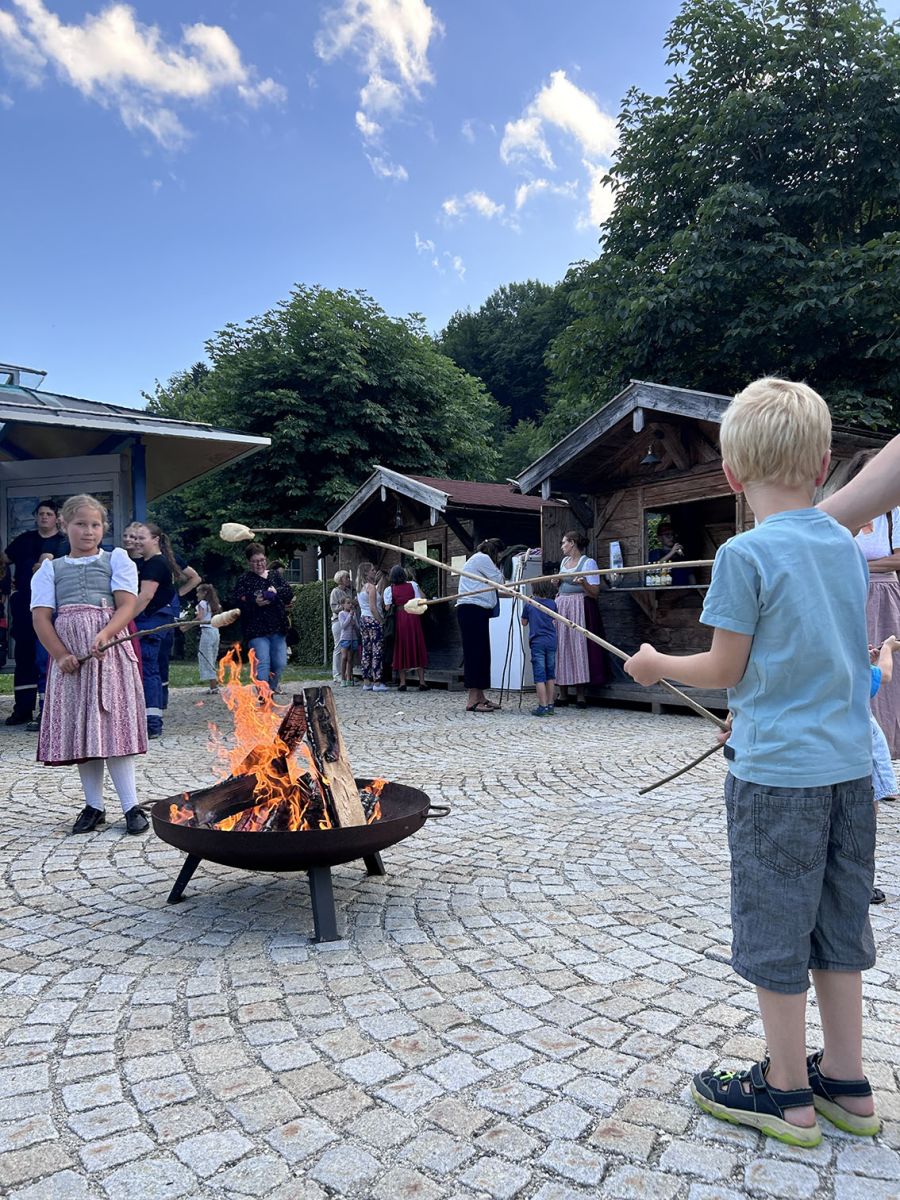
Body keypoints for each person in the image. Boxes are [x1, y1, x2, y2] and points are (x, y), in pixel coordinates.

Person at [625, 378, 878, 1147]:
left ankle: (786, 1092)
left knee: (775, 927)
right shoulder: (846, 547)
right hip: (850, 773)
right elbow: (819, 657)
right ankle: (848, 1082)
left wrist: (654, 665)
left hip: (777, 781)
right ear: (824, 465)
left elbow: (724, 668)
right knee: (838, 922)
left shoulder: (743, 554)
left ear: (732, 475)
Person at [30, 494, 148, 835]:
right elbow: (41, 618)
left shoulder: (117, 559)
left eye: (95, 525)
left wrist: (106, 633)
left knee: (114, 726)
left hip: (109, 654)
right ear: (65, 525)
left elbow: (126, 605)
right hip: (72, 659)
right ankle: (94, 805)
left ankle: (131, 806)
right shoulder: (51, 569)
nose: (89, 531)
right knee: (85, 729)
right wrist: (60, 655)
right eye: (81, 524)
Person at [4, 499, 69, 726]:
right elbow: (4, 560)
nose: (44, 517)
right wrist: (7, 586)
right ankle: (22, 710)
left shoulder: (63, 543)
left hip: (52, 607)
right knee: (24, 657)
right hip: (24, 605)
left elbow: (44, 568)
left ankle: (47, 710)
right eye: (40, 514)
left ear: (57, 518)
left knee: (47, 658)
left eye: (49, 514)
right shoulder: (24, 540)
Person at [853, 501, 900, 759]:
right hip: (851, 593)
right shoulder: (849, 514)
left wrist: (858, 565)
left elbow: (898, 558)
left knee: (887, 666)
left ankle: (889, 747)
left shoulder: (893, 515)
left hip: (884, 594)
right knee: (856, 663)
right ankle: (860, 747)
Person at [132, 522, 181, 738]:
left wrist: (123, 619)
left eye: (141, 538)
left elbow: (146, 596)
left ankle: (152, 723)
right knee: (151, 670)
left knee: (148, 670)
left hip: (150, 622)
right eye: (135, 537)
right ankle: (150, 719)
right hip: (156, 621)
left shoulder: (154, 564)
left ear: (155, 540)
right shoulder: (156, 562)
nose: (136, 542)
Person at [554, 530, 608, 708]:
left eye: (564, 542)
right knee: (562, 647)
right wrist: (557, 583)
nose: (562, 546)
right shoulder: (564, 562)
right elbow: (562, 586)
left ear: (572, 543)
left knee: (579, 647)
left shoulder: (588, 563)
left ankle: (580, 695)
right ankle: (562, 693)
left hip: (580, 607)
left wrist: (583, 583)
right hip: (562, 606)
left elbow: (595, 593)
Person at [235, 542, 293, 695]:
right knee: (263, 663)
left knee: (280, 663)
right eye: (255, 561)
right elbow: (238, 601)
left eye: (261, 560)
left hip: (278, 627)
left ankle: (271, 689)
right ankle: (264, 695)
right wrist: (254, 602)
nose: (259, 564)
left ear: (266, 559)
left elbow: (289, 593)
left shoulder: (275, 576)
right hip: (256, 630)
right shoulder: (244, 580)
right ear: (249, 562)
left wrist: (276, 591)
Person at [456, 538, 505, 713]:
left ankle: (480, 696)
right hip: (472, 610)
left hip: (478, 610)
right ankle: (472, 700)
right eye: (500, 555)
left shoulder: (478, 560)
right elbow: (499, 580)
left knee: (482, 653)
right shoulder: (482, 558)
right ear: (495, 552)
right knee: (474, 653)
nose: (500, 558)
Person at [869, 635, 899, 905]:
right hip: (860, 758)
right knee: (865, 823)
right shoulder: (853, 672)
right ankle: (862, 883)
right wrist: (888, 648)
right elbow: (884, 675)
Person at [383, 565, 428, 691]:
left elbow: (387, 607)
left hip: (400, 619)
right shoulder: (413, 585)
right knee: (417, 645)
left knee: (401, 647)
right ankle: (422, 682)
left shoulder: (389, 589)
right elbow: (422, 599)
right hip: (413, 617)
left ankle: (403, 682)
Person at [521, 579, 558, 716]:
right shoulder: (552, 603)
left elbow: (524, 622)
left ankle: (542, 706)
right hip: (552, 640)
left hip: (538, 642)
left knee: (539, 675)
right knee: (550, 674)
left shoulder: (530, 604)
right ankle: (550, 705)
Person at [356, 561, 388, 692]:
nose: (375, 572)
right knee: (377, 650)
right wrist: (381, 621)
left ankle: (366, 681)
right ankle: (377, 682)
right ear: (366, 573)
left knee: (366, 650)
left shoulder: (360, 588)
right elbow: (373, 608)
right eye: (372, 570)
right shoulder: (371, 588)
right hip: (373, 619)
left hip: (363, 619)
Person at [329, 570, 356, 682]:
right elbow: (334, 608)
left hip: (350, 622)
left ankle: (348, 674)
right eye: (346, 578)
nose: (348, 580)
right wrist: (345, 606)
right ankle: (337, 674)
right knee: (339, 647)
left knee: (349, 649)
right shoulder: (335, 592)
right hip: (338, 621)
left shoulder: (349, 591)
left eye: (349, 577)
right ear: (340, 580)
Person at [196, 583, 222, 693]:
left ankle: (213, 686)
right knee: (212, 657)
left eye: (198, 592)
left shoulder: (202, 603)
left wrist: (186, 626)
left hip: (207, 631)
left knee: (206, 658)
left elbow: (200, 617)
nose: (197, 595)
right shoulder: (215, 605)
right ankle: (214, 685)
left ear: (204, 593)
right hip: (215, 631)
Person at [337, 598, 359, 686]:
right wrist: (349, 616)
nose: (350, 605)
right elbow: (343, 626)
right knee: (344, 657)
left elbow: (357, 626)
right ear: (343, 605)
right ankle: (343, 678)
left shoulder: (354, 614)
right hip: (345, 638)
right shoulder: (341, 614)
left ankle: (349, 677)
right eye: (348, 603)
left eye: (351, 603)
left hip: (353, 638)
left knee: (350, 659)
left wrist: (354, 624)